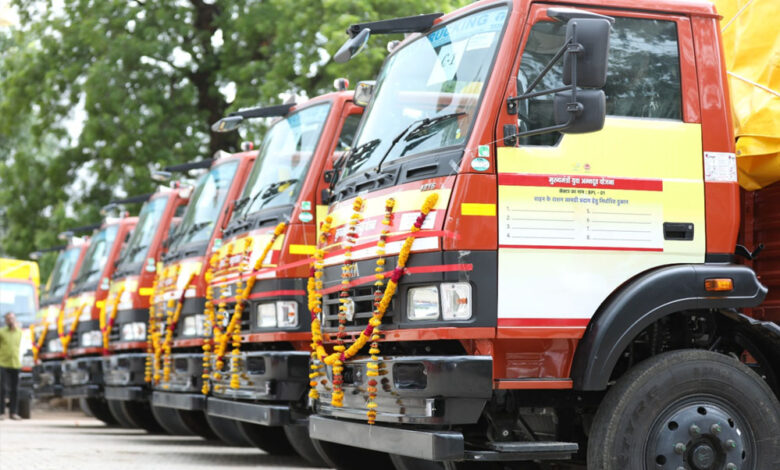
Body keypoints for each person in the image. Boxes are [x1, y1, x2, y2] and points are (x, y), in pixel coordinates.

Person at [0, 311, 23, 420]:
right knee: (2, 389)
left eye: (12, 318)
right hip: (3, 363)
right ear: (5, 321)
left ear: (15, 319)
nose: (10, 320)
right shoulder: (1, 332)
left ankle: (13, 413)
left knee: (15, 389)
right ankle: (1, 413)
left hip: (15, 363)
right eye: (8, 319)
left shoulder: (19, 332)